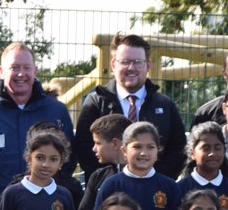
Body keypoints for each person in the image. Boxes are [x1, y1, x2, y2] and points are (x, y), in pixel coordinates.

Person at [0, 42, 75, 210]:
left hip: (46, 208)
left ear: (35, 70)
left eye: (26, 68)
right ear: (1, 71)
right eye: (14, 67)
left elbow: (68, 160)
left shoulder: (56, 111)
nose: (21, 73)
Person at [74, 32, 186, 179]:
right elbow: (84, 149)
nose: (131, 67)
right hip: (108, 190)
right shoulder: (96, 102)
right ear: (114, 64)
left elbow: (178, 149)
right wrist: (113, 180)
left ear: (148, 66)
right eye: (125, 61)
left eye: (138, 62)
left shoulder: (165, 105)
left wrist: (153, 179)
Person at [92, 122, 180, 210]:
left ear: (158, 151)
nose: (144, 153)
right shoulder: (111, 185)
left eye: (150, 147)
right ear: (124, 151)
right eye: (137, 147)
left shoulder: (170, 187)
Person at [76, 113, 129, 210]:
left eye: (98, 143)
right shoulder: (98, 176)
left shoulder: (141, 177)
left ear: (116, 143)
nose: (94, 149)